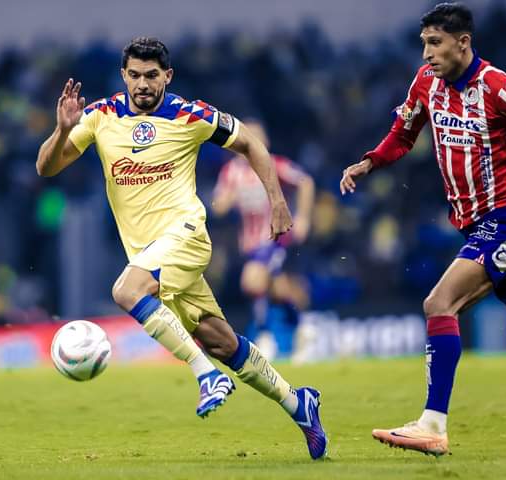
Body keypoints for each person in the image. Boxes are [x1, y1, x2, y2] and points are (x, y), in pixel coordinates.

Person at [36, 37, 327, 459]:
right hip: (150, 254)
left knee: (126, 291)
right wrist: (62, 127)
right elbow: (47, 167)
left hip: (186, 235)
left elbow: (251, 144)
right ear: (124, 76)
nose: (142, 84)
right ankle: (298, 403)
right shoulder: (100, 116)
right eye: (134, 75)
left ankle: (205, 376)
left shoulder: (191, 115)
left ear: (167, 76)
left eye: (151, 76)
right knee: (221, 340)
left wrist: (277, 201)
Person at [340, 2, 506, 456]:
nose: (426, 53)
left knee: (439, 302)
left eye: (435, 43)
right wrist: (370, 162)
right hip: (474, 225)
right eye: (424, 43)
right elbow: (403, 134)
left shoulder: (497, 87)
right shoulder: (426, 83)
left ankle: (432, 424)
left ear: (463, 42)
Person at [212, 120, 315, 359]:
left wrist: (303, 218)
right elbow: (218, 208)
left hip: (275, 237)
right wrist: (226, 199)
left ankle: (265, 336)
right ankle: (303, 327)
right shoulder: (231, 172)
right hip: (249, 244)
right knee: (278, 290)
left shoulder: (273, 164)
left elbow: (305, 181)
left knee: (252, 281)